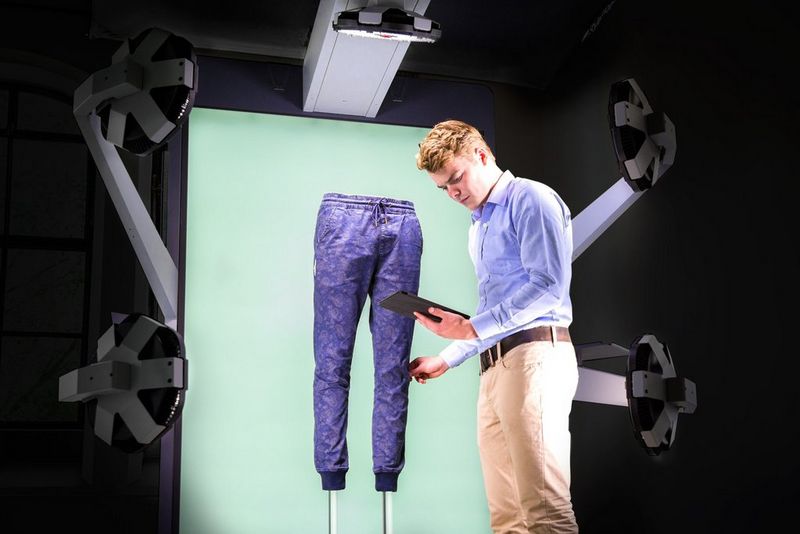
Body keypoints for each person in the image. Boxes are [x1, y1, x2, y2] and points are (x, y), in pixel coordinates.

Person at [408, 119, 579, 533]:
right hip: (494, 369)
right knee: (507, 518)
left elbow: (548, 287)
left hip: (536, 360)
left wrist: (470, 329)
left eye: (456, 178)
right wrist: (448, 357)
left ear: (482, 155)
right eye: (443, 188)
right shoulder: (479, 224)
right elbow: (492, 313)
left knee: (545, 512)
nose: (453, 193)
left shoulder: (531, 198)